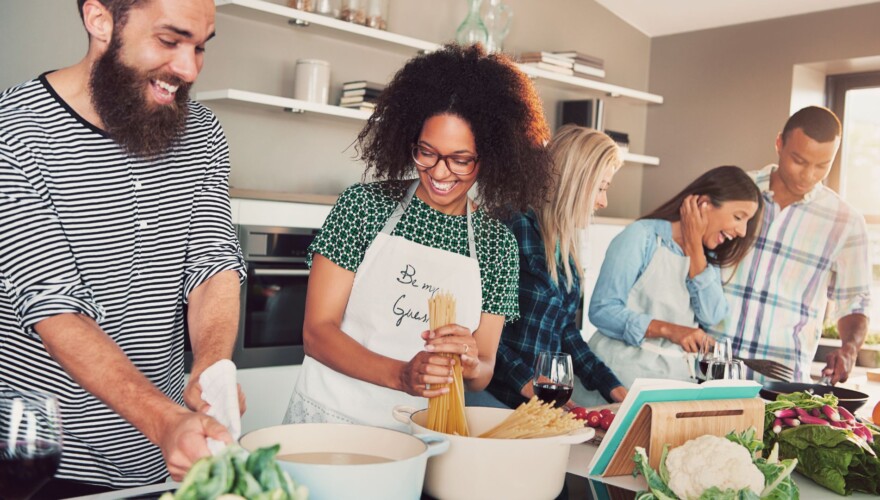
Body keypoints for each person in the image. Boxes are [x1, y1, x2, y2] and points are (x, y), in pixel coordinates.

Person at [0, 0, 245, 494]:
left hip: (166, 457)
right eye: (169, 41)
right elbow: (54, 308)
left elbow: (213, 263)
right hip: (45, 460)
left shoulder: (200, 132)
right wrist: (164, 420)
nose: (188, 68)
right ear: (99, 20)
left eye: (200, 47)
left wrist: (210, 366)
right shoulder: (14, 131)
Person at [283, 43, 553, 430]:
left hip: (423, 433)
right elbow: (317, 332)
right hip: (331, 420)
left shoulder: (497, 246)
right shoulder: (363, 208)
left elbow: (485, 369)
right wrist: (401, 375)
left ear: (490, 157)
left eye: (460, 159)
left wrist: (471, 360)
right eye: (427, 152)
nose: (440, 173)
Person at [710, 106, 872, 384]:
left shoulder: (846, 222)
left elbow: (855, 302)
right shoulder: (731, 191)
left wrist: (849, 348)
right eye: (799, 160)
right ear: (779, 144)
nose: (808, 175)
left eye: (822, 166)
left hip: (780, 384)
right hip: (708, 369)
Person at [584, 166, 762, 400]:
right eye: (739, 217)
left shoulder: (707, 258)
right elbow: (602, 310)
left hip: (670, 389)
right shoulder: (641, 237)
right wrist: (670, 330)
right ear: (704, 204)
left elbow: (712, 315)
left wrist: (694, 247)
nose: (741, 231)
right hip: (615, 386)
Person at [484, 125, 628, 410]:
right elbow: (482, 334)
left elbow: (565, 332)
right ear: (575, 181)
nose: (603, 201)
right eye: (600, 188)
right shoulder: (511, 228)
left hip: (534, 404)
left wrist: (613, 387)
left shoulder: (564, 249)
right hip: (495, 399)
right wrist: (532, 386)